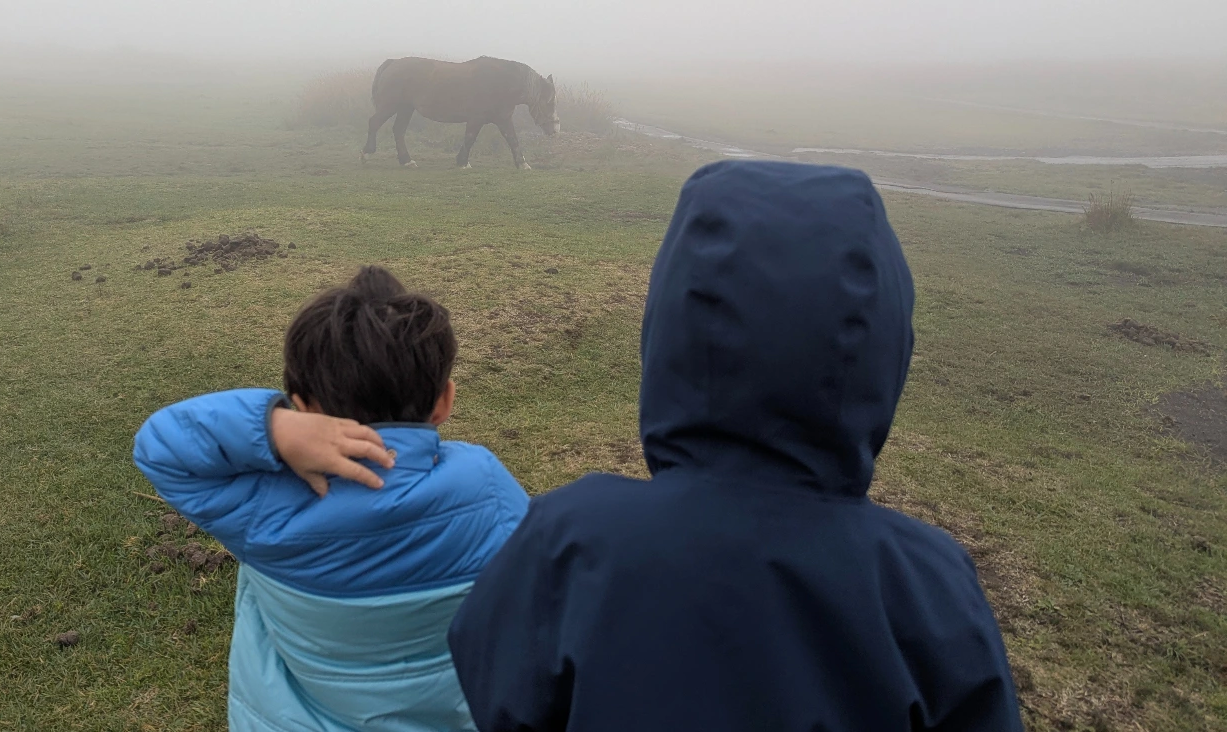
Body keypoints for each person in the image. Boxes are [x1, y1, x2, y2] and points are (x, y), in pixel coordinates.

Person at [447, 161, 1023, 732]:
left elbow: (492, 683)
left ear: (669, 324)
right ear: (885, 344)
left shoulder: (569, 539)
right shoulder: (928, 585)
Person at [134, 265, 528, 732]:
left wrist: (272, 427)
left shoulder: (265, 504)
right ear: (444, 401)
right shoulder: (485, 485)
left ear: (302, 406)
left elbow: (160, 448)